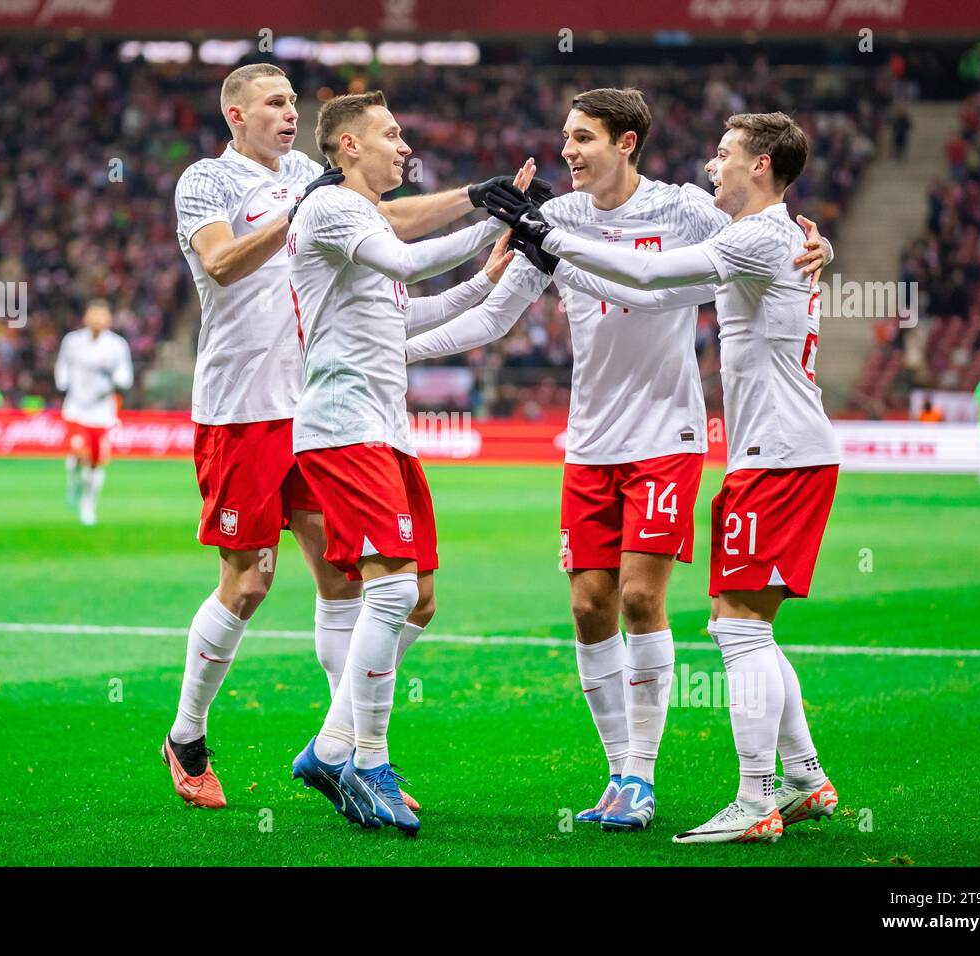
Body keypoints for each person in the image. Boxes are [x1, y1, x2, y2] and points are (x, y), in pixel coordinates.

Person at [404, 88, 830, 833]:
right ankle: (641, 774)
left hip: (669, 436)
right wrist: (395, 352)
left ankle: (650, 775)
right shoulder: (559, 217)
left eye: (583, 138)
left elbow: (716, 256)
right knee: (588, 605)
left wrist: (818, 245)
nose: (568, 151)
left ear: (625, 143)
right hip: (592, 440)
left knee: (644, 598)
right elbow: (496, 314)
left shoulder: (685, 208)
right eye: (565, 137)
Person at [165, 62, 536, 813]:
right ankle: (188, 735)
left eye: (294, 102)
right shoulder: (207, 180)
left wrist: (474, 199)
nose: (288, 114)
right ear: (235, 115)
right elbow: (222, 262)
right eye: (273, 103)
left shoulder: (314, 178)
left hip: (315, 407)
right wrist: (300, 212)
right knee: (250, 583)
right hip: (240, 405)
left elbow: (384, 223)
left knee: (351, 582)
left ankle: (356, 755)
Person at [285, 90, 540, 833]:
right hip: (342, 427)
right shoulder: (331, 208)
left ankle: (332, 746)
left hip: (385, 430)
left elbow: (408, 309)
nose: (404, 147)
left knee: (419, 597)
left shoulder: (360, 223)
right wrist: (490, 215)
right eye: (391, 135)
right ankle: (364, 761)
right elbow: (404, 259)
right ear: (348, 148)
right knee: (390, 592)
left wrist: (488, 276)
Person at [54, 299, 133, 526]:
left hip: (101, 413)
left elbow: (125, 375)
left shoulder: (117, 345)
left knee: (96, 464)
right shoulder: (72, 341)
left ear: (108, 319)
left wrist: (118, 381)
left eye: (102, 315)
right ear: (86, 317)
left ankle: (88, 505)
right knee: (80, 455)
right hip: (76, 409)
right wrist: (63, 382)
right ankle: (74, 484)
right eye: (93, 315)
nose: (97, 320)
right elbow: (62, 365)